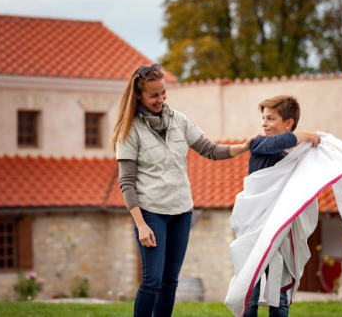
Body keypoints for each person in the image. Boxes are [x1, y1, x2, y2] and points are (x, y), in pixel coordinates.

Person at [111, 63, 256, 317]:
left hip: (181, 212)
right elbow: (127, 182)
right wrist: (141, 224)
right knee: (152, 280)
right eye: (154, 95)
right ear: (139, 96)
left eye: (163, 93)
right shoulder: (129, 130)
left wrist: (242, 147)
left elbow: (209, 149)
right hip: (151, 213)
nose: (161, 99)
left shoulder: (179, 120)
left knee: (170, 283)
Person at [243, 95, 320, 317]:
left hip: (280, 232)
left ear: (288, 123)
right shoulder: (258, 145)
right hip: (255, 230)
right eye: (263, 118)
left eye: (270, 118)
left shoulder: (294, 158)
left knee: (279, 297)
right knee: (251, 294)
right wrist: (299, 136)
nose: (264, 123)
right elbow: (273, 143)